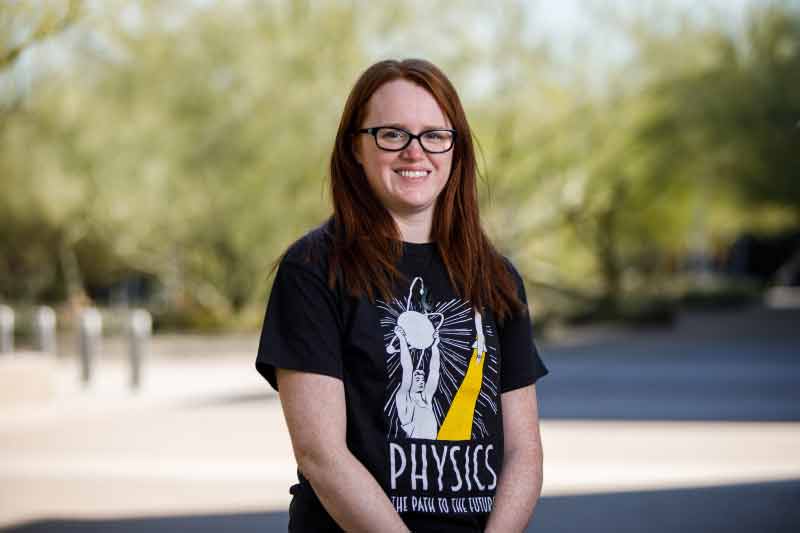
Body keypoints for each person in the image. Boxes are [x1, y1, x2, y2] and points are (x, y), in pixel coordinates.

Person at [256, 58, 548, 532]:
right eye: (392, 134)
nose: (416, 152)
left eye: (434, 135)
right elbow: (322, 455)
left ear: (456, 148)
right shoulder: (313, 269)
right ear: (355, 147)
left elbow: (523, 452)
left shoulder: (495, 277)